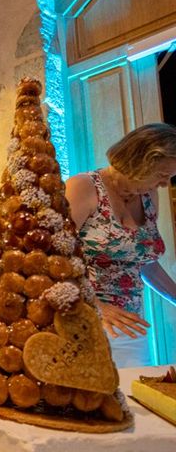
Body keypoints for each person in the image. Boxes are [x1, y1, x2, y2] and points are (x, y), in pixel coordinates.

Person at [65, 122, 176, 367]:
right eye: (162, 175)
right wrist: (97, 305)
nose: (165, 184)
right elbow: (55, 258)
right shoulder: (84, 187)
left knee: (134, 398)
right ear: (140, 162)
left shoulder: (147, 196)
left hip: (130, 324)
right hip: (82, 319)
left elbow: (144, 263)